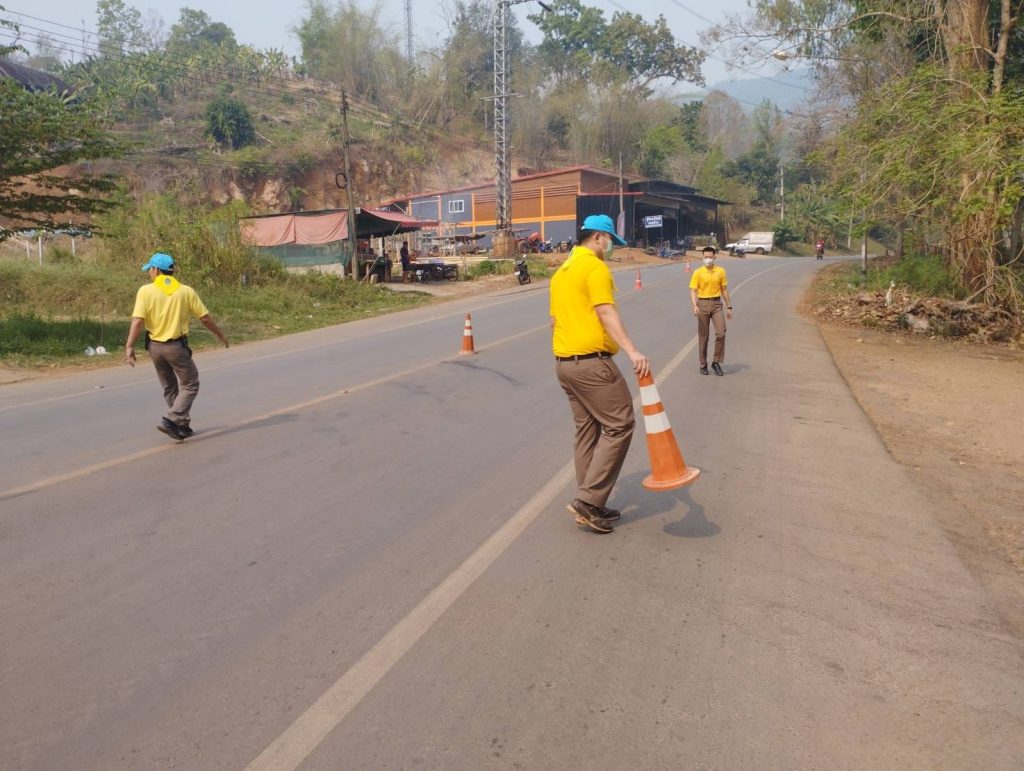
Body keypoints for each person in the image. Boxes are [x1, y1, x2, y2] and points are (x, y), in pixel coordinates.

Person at [550, 214, 650, 534]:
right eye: (609, 241)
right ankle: (588, 500)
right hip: (593, 364)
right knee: (621, 423)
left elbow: (555, 321)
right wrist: (633, 351)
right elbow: (604, 311)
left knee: (587, 430)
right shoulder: (594, 267)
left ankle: (590, 501)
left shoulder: (562, 272)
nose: (610, 247)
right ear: (597, 237)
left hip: (565, 364)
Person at [124, 252, 229, 441]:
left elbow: (138, 320)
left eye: (150, 269)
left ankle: (181, 425)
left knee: (170, 386)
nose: (149, 273)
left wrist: (129, 346)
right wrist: (220, 335)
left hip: (155, 348)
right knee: (191, 383)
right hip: (176, 348)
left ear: (156, 270)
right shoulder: (186, 291)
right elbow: (205, 318)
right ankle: (172, 420)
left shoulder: (145, 291)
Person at [689, 245, 733, 376]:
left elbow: (724, 290)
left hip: (716, 304)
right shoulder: (698, 272)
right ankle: (703, 364)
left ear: (714, 257)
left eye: (710, 257)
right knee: (704, 336)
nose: (708, 259)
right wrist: (695, 305)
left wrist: (729, 307)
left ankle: (716, 362)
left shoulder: (721, 271)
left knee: (721, 333)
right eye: (705, 257)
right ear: (702, 257)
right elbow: (693, 290)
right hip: (702, 304)